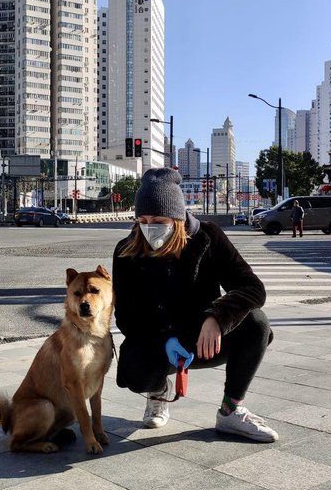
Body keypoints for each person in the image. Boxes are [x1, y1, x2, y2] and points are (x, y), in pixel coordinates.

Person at [113, 168, 278, 442]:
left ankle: (231, 410)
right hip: (156, 339)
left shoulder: (208, 237)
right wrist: (164, 340)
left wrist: (217, 317)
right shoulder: (126, 249)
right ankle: (158, 391)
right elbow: (126, 317)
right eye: (141, 219)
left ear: (177, 217)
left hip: (202, 336)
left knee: (256, 324)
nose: (148, 226)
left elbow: (252, 287)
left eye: (157, 219)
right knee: (134, 372)